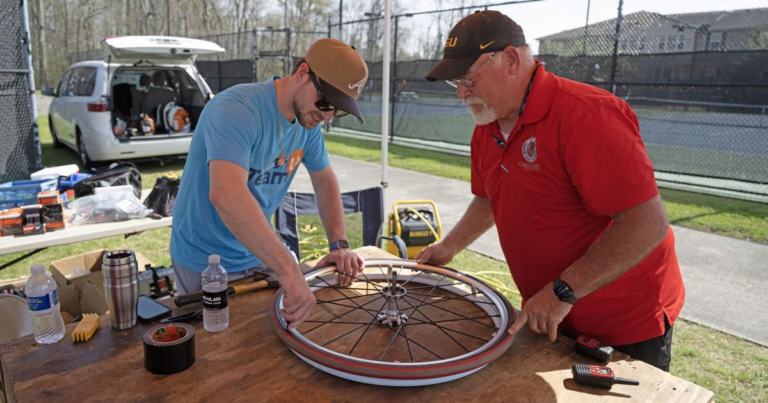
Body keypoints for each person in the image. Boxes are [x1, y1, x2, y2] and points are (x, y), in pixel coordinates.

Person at [418, 10, 685, 371]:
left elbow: (646, 224)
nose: (462, 93)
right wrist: (449, 246)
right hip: (550, 313)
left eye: (467, 78)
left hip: (623, 323)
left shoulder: (587, 116)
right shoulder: (488, 123)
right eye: (456, 82)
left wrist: (564, 290)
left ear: (511, 60)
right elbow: (489, 197)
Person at [170, 39, 369, 329]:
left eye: (337, 110)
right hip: (205, 261)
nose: (326, 117)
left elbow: (325, 179)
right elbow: (226, 194)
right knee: (213, 354)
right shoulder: (237, 109)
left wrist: (338, 244)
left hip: (259, 251)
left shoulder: (307, 122)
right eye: (325, 102)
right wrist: (289, 270)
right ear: (302, 72)